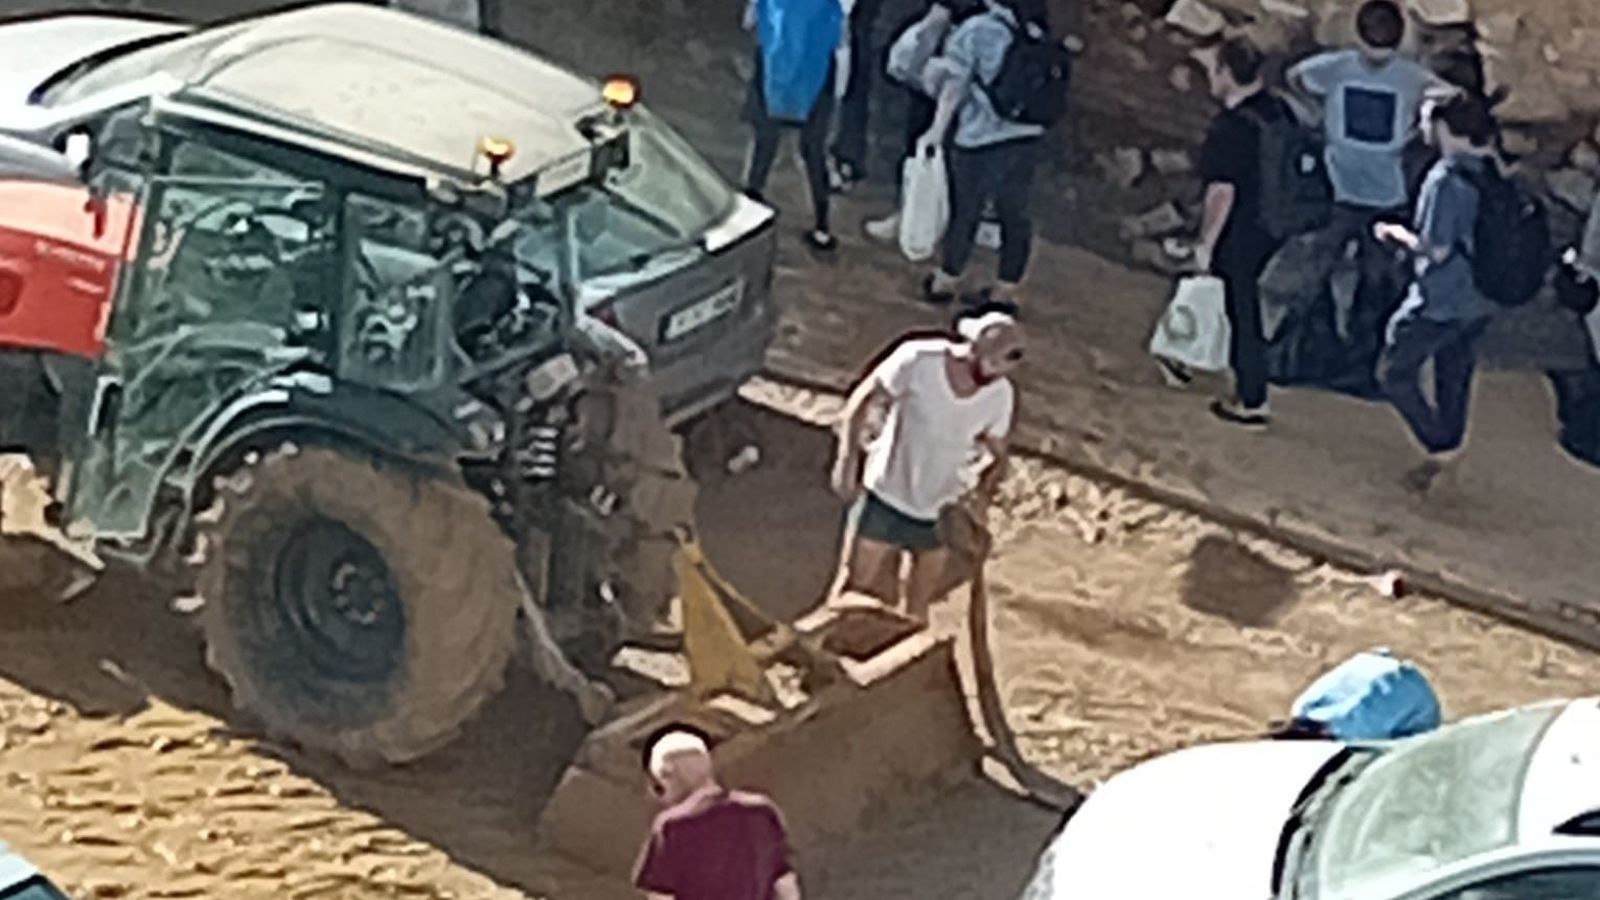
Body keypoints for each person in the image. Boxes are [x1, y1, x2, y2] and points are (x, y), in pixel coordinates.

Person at [1268, 0, 1443, 370]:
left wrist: (1317, 116)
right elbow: (1448, 97)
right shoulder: (1410, 77)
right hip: (1370, 194)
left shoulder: (1336, 68)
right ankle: (1355, 358)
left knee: (1329, 273)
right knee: (1367, 280)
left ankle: (1310, 354)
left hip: (1353, 192)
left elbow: (1295, 77)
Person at [830, 310, 1021, 622]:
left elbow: (998, 454)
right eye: (993, 363)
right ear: (972, 349)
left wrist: (980, 498)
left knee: (917, 609)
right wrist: (847, 460)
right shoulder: (919, 359)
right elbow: (863, 399)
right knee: (852, 592)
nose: (996, 373)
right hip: (886, 494)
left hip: (937, 510)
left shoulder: (1000, 395)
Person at [1373, 89, 1498, 494]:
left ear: (1445, 126)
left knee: (1394, 371)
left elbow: (1437, 249)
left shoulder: (1445, 178)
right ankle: (1451, 446)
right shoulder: (1492, 169)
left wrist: (1395, 235)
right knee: (1454, 375)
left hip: (1441, 298)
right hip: (1481, 296)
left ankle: (1439, 446)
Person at [918, 0, 1051, 313]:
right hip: (1026, 137)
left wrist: (936, 130)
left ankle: (947, 280)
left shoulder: (978, 29)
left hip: (979, 137)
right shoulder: (1036, 29)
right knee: (1015, 216)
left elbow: (955, 86)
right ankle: (1005, 291)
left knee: (965, 210)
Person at [1193, 37, 1295, 428]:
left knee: (1242, 311)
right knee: (1249, 306)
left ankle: (1252, 398)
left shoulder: (1230, 127)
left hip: (1242, 230)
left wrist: (1206, 243)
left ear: (1225, 74)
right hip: (1275, 223)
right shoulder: (1278, 111)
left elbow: (1222, 192)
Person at [861, 0, 986, 241]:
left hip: (960, 71)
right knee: (929, 146)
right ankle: (914, 217)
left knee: (937, 148)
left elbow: (938, 16)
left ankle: (928, 221)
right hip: (947, 73)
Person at [633, 729, 802, 900]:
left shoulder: (672, 827)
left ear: (669, 775)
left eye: (659, 787)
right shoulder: (762, 811)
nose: (663, 798)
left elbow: (661, 897)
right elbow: (785, 885)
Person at [743, 0, 845, 252]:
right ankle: (822, 225)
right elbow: (840, 36)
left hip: (774, 64)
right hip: (816, 69)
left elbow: (749, 21)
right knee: (813, 149)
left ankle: (750, 207)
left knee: (765, 141)